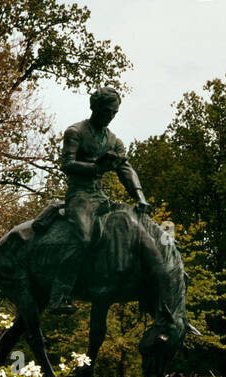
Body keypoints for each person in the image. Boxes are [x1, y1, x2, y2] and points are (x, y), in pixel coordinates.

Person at [46, 87, 151, 313]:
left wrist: (140, 197)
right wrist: (97, 167)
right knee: (83, 238)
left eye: (114, 112)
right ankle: (58, 295)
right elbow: (67, 164)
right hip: (79, 195)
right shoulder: (75, 131)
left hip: (100, 197)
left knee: (130, 230)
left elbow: (126, 170)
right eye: (107, 111)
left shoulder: (114, 141)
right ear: (95, 108)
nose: (110, 116)